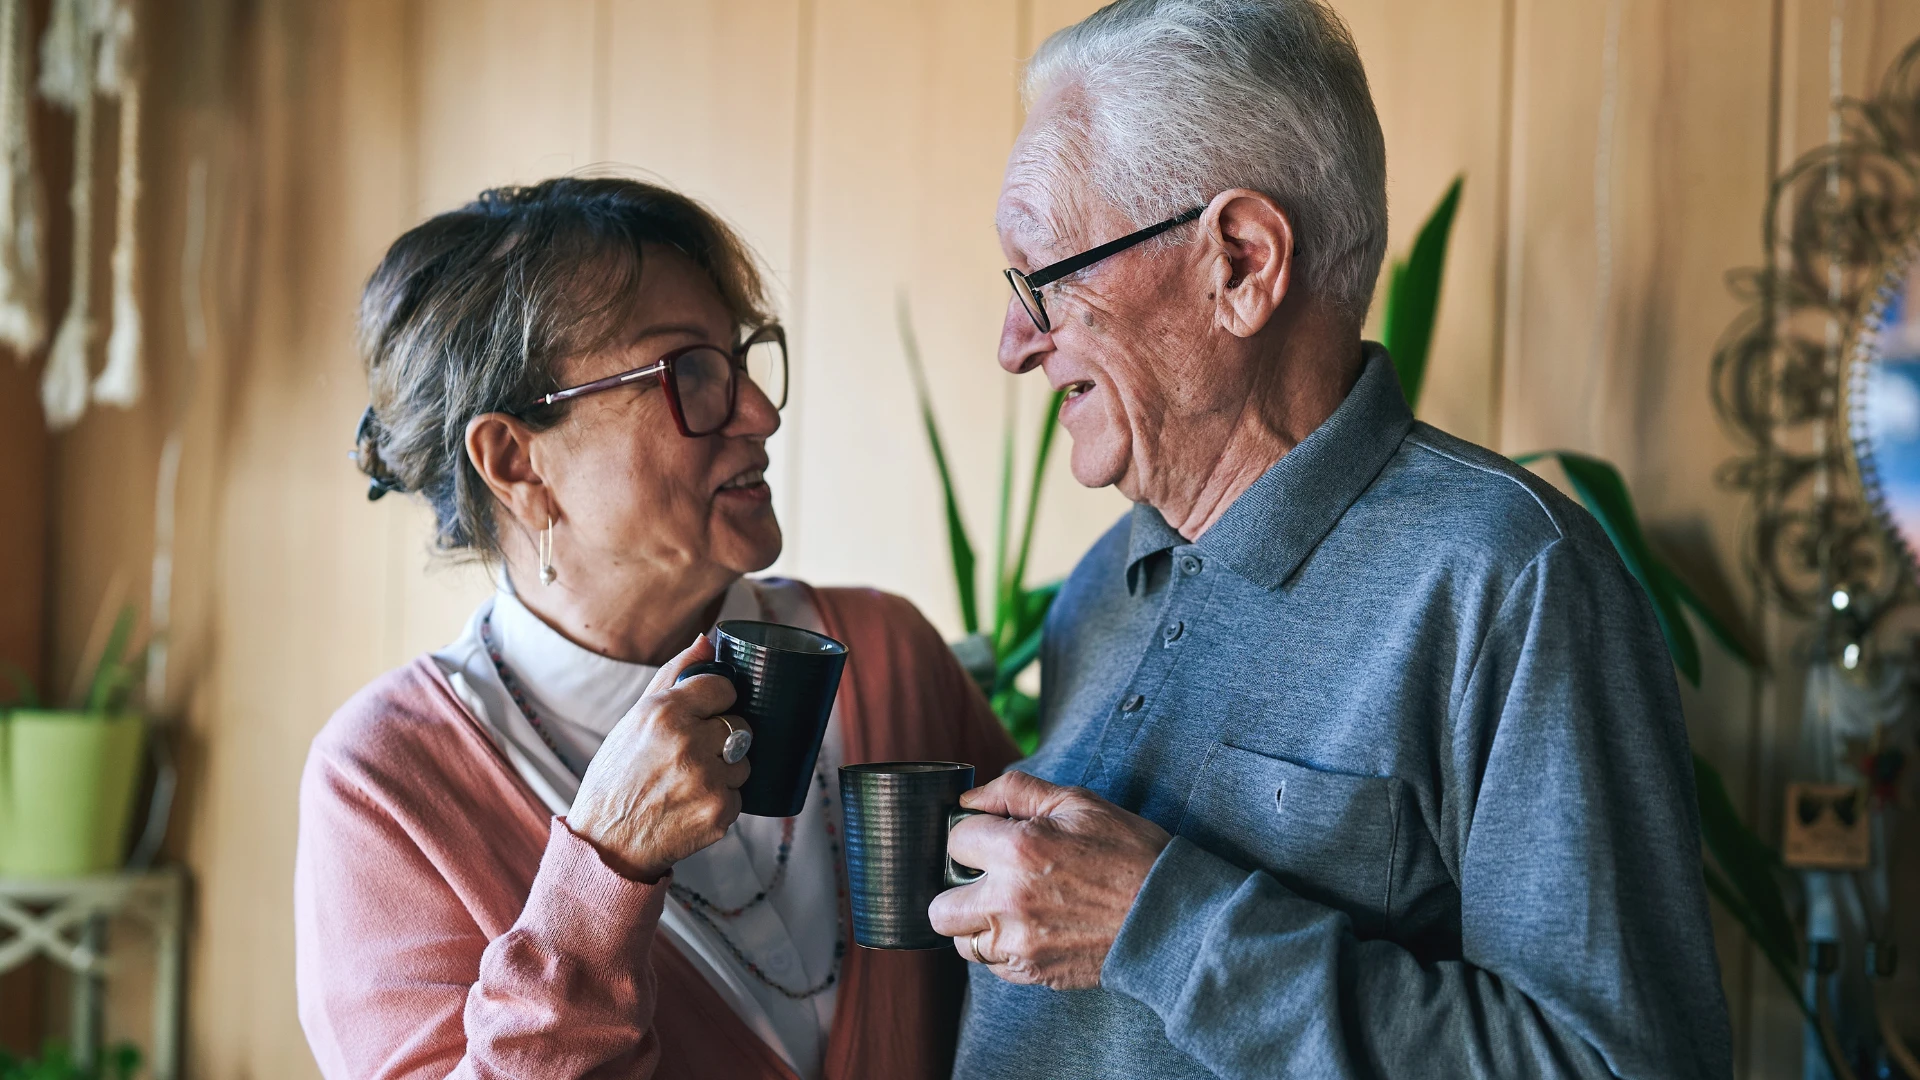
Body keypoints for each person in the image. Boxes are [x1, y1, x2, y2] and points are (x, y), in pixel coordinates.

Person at [926, 2, 1733, 1077]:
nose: (1014, 344)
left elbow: (1618, 1064)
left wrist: (1157, 926)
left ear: (1242, 263)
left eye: (1050, 277)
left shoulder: (1514, 582)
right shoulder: (1101, 587)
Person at [293, 176, 1015, 1080]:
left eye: (741, 360)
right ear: (515, 460)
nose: (761, 414)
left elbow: (1052, 987)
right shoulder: (387, 781)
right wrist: (605, 868)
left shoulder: (885, 657)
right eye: (689, 374)